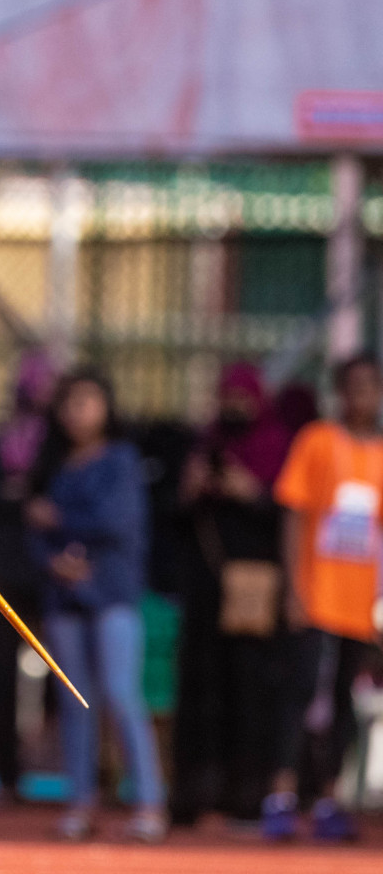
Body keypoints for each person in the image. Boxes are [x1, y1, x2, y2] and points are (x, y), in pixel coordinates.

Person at [26, 368, 166, 843]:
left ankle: (148, 802)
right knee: (74, 700)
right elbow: (33, 526)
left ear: (107, 407)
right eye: (68, 402)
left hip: (112, 594)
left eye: (87, 401)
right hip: (64, 596)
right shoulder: (54, 464)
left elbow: (118, 522)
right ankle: (81, 803)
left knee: (121, 694)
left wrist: (62, 525)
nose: (76, 412)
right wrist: (55, 561)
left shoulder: (122, 460)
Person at [262, 352, 383, 842]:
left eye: (370, 387)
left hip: (359, 602)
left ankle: (329, 800)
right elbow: (294, 514)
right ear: (339, 392)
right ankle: (282, 795)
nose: (361, 396)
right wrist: (293, 588)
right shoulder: (316, 442)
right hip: (316, 594)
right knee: (298, 693)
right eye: (352, 386)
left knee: (344, 704)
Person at [170, 363, 291, 825]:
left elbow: (285, 518)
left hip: (255, 591)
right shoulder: (204, 446)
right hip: (204, 590)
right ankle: (195, 794)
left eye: (243, 398)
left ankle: (245, 798)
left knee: (250, 690)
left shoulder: (275, 447)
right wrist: (191, 489)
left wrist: (253, 493)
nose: (234, 407)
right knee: (201, 688)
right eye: (227, 398)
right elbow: (175, 524)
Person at [0, 350, 54, 801]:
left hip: (48, 575)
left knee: (58, 675)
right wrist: (24, 501)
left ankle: (75, 770)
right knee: (2, 675)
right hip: (3, 572)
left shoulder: (57, 443)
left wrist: (19, 496)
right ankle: (7, 774)